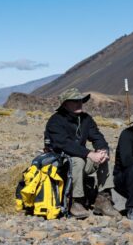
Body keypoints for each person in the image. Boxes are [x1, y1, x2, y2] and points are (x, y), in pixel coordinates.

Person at [44, 88, 116, 219]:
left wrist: (102, 150)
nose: (79, 103)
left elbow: (97, 136)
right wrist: (89, 153)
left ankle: (103, 199)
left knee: (102, 158)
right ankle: (77, 202)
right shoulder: (55, 121)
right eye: (74, 101)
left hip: (81, 160)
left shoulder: (85, 119)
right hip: (60, 164)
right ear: (65, 104)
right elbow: (63, 144)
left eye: (80, 101)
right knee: (77, 160)